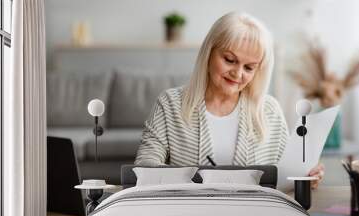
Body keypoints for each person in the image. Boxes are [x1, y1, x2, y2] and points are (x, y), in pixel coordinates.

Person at [135, 12, 324, 189]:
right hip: (188, 215)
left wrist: (305, 176)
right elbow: (145, 168)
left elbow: (287, 175)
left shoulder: (269, 110)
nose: (238, 74)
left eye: (249, 68)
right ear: (209, 52)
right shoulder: (169, 104)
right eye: (229, 60)